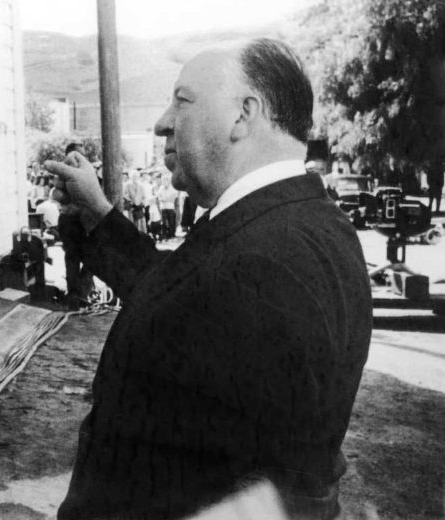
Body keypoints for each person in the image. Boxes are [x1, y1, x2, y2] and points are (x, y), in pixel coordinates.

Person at [46, 38, 372, 520]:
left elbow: (251, 493)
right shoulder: (295, 224)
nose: (162, 123)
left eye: (182, 100)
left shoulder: (263, 264)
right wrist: (98, 215)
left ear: (242, 115)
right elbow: (183, 302)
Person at [58, 143, 95, 309]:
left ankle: (81, 293)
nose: (82, 158)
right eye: (79, 154)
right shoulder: (64, 173)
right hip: (70, 220)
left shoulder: (84, 172)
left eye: (83, 155)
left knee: (91, 257)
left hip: (83, 220)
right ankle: (75, 295)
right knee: (72, 258)